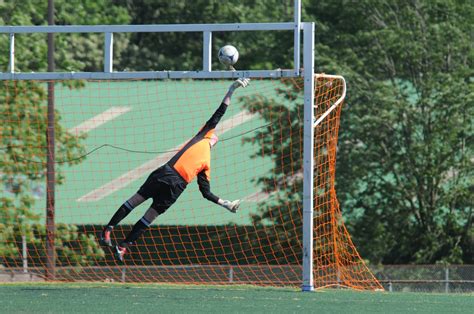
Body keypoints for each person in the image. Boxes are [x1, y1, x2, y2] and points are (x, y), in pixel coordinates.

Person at [99, 78, 251, 262]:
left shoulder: (206, 164)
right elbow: (219, 113)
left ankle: (123, 245)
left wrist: (225, 204)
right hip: (167, 173)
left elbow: (206, 192)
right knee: (136, 200)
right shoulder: (203, 135)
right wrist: (231, 89)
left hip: (177, 187)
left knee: (150, 216)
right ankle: (108, 230)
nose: (216, 136)